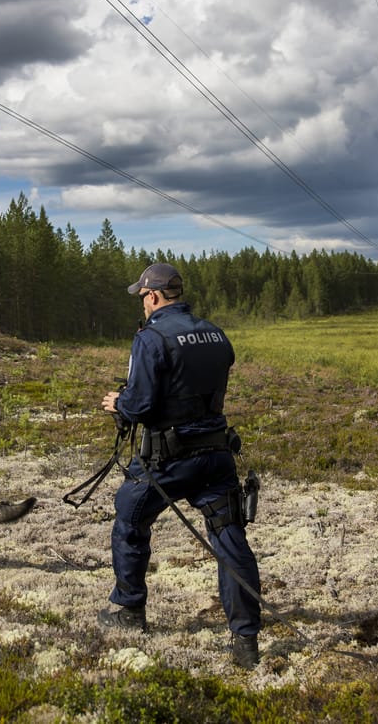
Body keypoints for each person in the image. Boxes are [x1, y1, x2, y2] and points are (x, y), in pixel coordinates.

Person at [99, 262, 263, 669]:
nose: (142, 303)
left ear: (152, 296)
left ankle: (130, 610)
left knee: (129, 518)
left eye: (142, 296)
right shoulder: (216, 333)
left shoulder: (151, 337)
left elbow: (139, 406)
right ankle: (246, 641)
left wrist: (118, 403)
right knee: (229, 538)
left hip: (168, 460)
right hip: (217, 455)